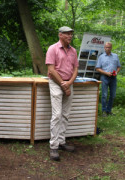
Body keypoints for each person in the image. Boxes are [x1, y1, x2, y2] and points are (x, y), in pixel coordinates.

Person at [45, 26, 78, 161]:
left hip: (68, 83)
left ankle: (61, 142)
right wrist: (64, 85)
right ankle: (53, 146)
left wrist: (69, 83)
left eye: (71, 34)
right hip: (56, 83)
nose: (70, 36)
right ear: (60, 35)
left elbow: (75, 69)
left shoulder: (73, 51)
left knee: (65, 114)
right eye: (67, 34)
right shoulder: (53, 49)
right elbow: (51, 70)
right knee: (57, 114)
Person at [96, 42, 121, 117]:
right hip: (104, 77)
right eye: (106, 47)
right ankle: (104, 110)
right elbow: (97, 68)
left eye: (109, 47)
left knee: (113, 95)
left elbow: (119, 66)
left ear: (111, 48)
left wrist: (116, 72)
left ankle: (109, 110)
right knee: (104, 95)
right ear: (104, 48)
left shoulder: (115, 56)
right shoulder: (101, 57)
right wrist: (106, 73)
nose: (107, 49)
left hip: (113, 78)